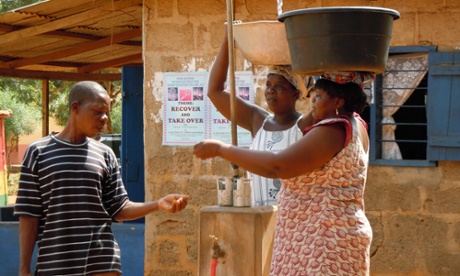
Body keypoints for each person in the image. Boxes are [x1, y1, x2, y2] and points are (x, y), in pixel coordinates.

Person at [194, 71, 374, 275]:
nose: (313, 101)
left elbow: (278, 166)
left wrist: (222, 150)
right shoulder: (356, 123)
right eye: (313, 95)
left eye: (320, 97)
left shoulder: (332, 130)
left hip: (322, 242)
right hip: (325, 236)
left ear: (338, 102)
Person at [14, 81, 189, 276]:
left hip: (102, 262)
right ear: (76, 108)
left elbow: (120, 208)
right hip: (56, 264)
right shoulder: (38, 152)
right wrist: (23, 268)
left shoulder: (105, 154)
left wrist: (157, 204)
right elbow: (29, 213)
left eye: (107, 112)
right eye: (98, 111)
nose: (104, 118)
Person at [208, 29, 314, 206]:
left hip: (294, 223)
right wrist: (228, 39)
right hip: (260, 219)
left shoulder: (305, 125)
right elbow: (214, 92)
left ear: (295, 94)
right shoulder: (257, 120)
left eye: (279, 86)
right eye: (268, 85)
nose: (271, 91)